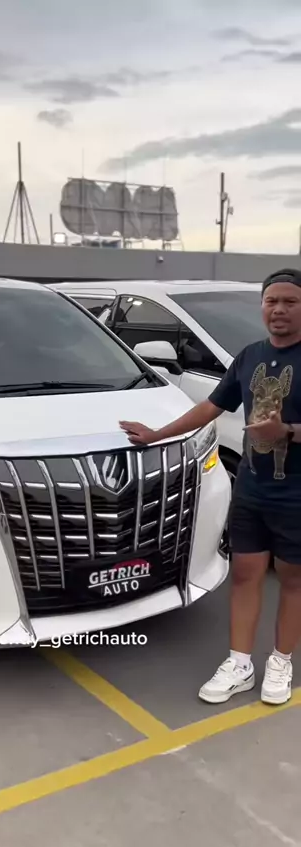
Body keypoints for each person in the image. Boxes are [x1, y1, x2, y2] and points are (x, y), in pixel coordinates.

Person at [120, 268, 301, 706]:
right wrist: (158, 434)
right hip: (252, 491)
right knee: (245, 574)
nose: (278, 309)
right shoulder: (250, 356)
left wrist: (287, 432)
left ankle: (281, 660)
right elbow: (212, 406)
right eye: (271, 301)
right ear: (262, 306)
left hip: (296, 494)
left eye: (290, 302)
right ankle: (240, 663)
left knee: (293, 580)